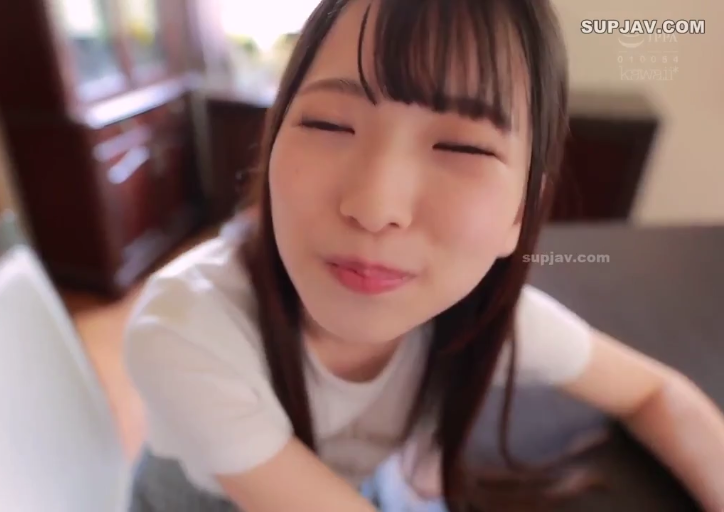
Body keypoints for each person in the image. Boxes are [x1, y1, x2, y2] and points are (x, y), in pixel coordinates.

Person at [122, 0, 724, 510]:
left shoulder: (483, 320)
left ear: (520, 212)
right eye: (328, 124)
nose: (374, 206)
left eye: (462, 147)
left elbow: (657, 393)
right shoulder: (184, 328)